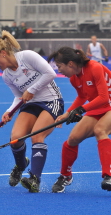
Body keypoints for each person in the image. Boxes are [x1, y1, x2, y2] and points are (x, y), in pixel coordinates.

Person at [0, 30, 64, 193]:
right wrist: (9, 111)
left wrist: (32, 90)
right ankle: (21, 165)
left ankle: (35, 179)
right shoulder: (6, 76)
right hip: (31, 105)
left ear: (3, 53)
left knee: (37, 135)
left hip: (51, 101)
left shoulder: (27, 57)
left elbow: (51, 73)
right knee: (15, 138)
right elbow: (18, 97)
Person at [48, 46, 111, 193]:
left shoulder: (94, 67)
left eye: (59, 66)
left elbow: (104, 97)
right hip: (99, 107)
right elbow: (82, 97)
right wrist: (68, 113)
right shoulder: (74, 79)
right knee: (73, 138)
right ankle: (65, 176)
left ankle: (108, 175)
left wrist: (81, 110)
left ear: (70, 63)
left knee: (100, 130)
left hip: (108, 104)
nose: (59, 70)